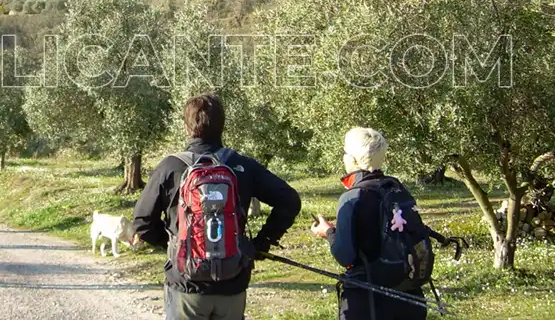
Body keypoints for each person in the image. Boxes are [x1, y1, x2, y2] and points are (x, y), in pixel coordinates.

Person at [133, 93, 302, 320]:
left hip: (186, 284)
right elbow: (290, 200)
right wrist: (260, 244)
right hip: (232, 282)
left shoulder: (170, 167)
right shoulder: (241, 165)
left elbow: (142, 222)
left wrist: (177, 246)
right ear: (222, 127)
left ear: (186, 127)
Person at [310, 127, 427, 320]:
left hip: (369, 300)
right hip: (407, 294)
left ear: (353, 159)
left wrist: (328, 232)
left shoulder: (352, 197)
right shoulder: (395, 186)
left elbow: (345, 256)